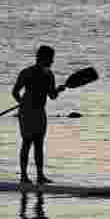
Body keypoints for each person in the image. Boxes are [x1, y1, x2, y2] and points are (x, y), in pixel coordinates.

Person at [12, 45, 65, 184]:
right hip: (27, 112)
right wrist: (21, 102)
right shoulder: (27, 73)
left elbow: (52, 95)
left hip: (40, 111)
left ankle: (40, 175)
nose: (52, 61)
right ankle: (24, 176)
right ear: (42, 58)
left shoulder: (49, 74)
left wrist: (59, 89)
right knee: (27, 142)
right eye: (51, 58)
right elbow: (15, 92)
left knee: (39, 143)